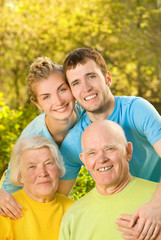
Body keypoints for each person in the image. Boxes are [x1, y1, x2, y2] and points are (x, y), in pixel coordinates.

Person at [58, 47, 161, 238]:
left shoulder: (137, 110)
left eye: (91, 76)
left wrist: (156, 206)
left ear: (108, 78)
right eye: (76, 83)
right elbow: (53, 197)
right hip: (118, 215)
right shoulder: (74, 141)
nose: (86, 87)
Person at [0, 56, 83, 219]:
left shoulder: (87, 112)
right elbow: (11, 181)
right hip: (19, 204)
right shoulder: (32, 138)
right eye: (46, 97)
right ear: (37, 104)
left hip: (55, 198)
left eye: (62, 89)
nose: (58, 101)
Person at [59, 120, 161, 240]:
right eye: (92, 153)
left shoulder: (157, 199)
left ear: (128, 151)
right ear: (84, 160)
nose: (101, 159)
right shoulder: (73, 215)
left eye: (110, 149)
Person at [0, 135, 74, 240]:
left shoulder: (74, 210)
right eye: (32, 166)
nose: (42, 173)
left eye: (48, 163)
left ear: (58, 168)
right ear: (20, 176)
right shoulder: (6, 210)